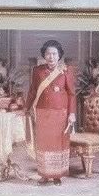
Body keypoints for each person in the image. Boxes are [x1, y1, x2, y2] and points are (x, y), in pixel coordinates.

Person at [25, 39, 78, 184]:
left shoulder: (66, 70)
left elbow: (72, 94)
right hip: (42, 112)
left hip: (60, 113)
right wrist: (26, 108)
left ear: (59, 55)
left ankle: (57, 175)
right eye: (48, 53)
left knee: (57, 144)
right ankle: (44, 174)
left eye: (54, 53)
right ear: (44, 55)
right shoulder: (37, 71)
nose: (51, 57)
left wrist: (72, 113)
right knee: (43, 144)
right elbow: (32, 91)